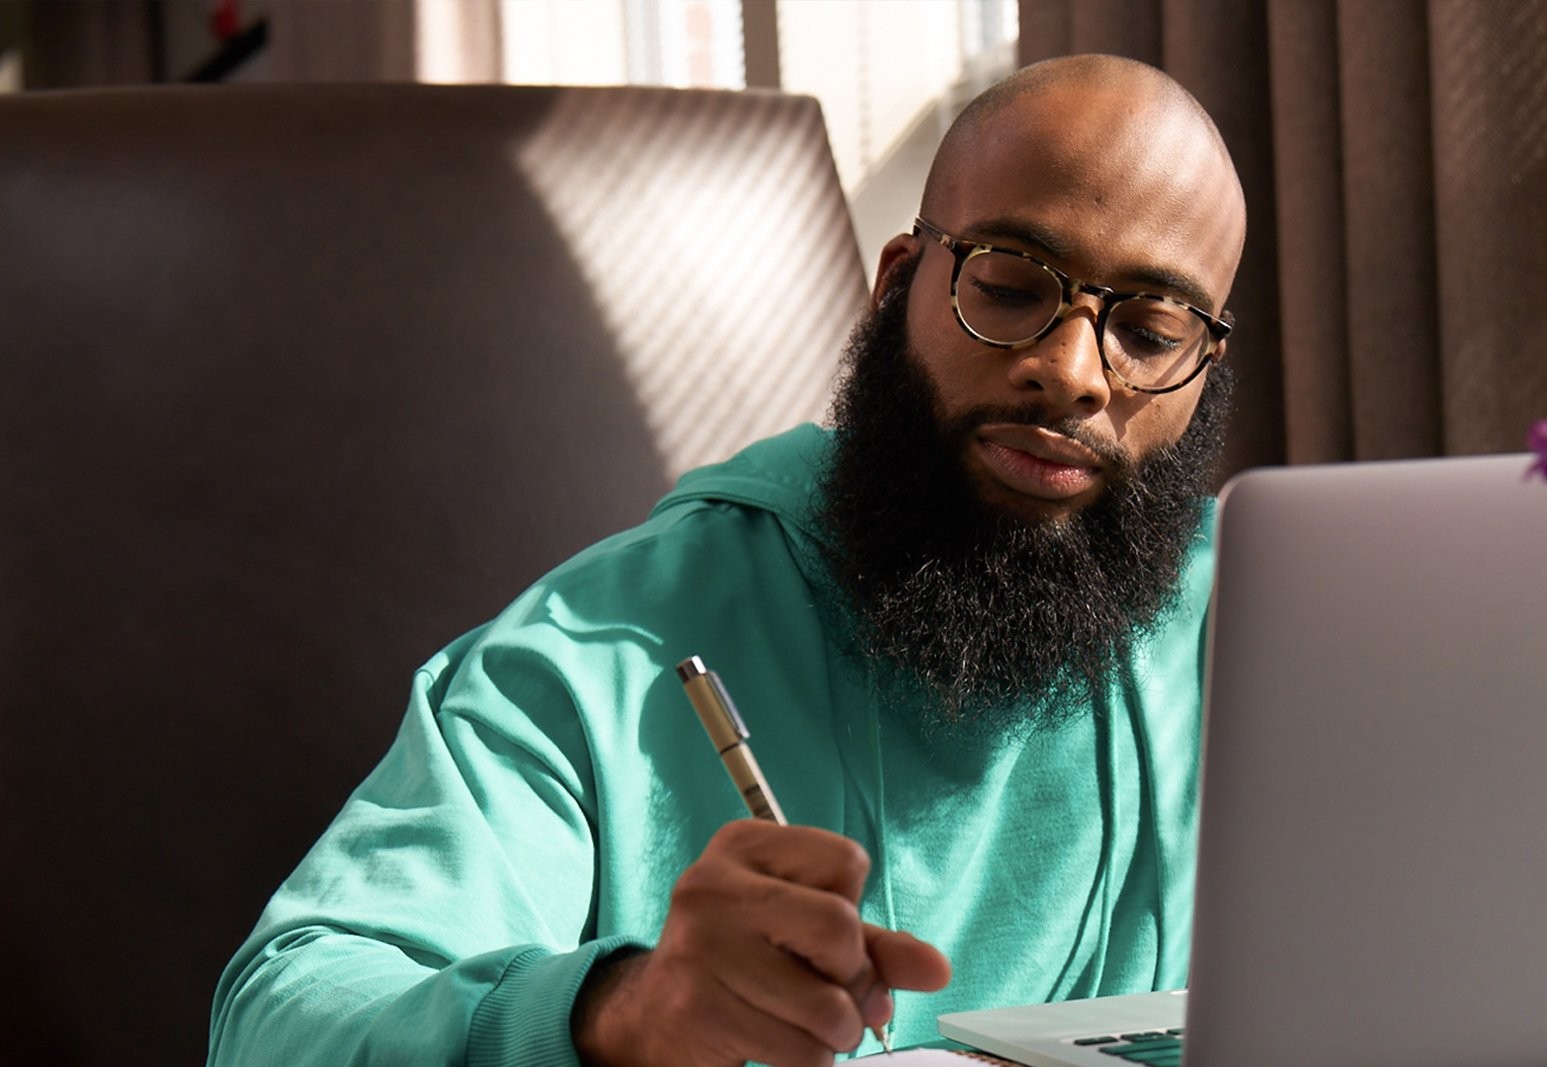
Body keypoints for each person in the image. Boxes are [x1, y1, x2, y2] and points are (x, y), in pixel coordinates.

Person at [208, 53, 1247, 1067]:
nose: (1071, 372)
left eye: (1151, 333)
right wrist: (621, 1012)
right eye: (1010, 287)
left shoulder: (1265, 627)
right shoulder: (594, 656)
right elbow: (276, 1023)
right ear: (897, 287)